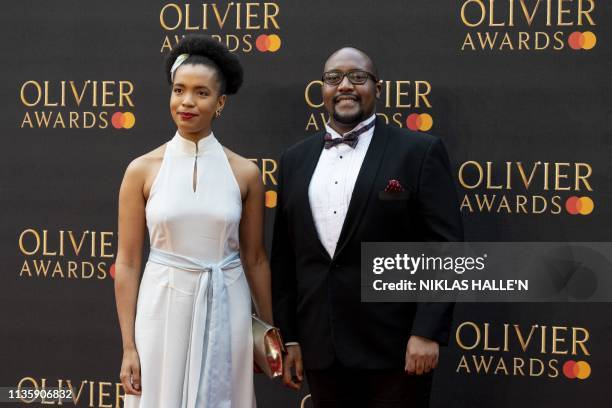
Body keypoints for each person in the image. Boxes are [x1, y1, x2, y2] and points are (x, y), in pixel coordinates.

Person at [271, 47, 464, 407]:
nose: (345, 85)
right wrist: (290, 339)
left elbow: (446, 247)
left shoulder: (417, 151)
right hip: (321, 347)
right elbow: (285, 258)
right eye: (334, 78)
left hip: (395, 346)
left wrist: (426, 331)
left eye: (357, 77)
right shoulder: (294, 159)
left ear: (378, 88)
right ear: (322, 89)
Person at [114, 34, 272, 408]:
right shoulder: (141, 170)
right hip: (161, 307)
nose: (186, 102)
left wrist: (267, 331)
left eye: (201, 93)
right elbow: (128, 261)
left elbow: (256, 259)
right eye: (179, 90)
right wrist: (128, 346)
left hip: (227, 303)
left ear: (220, 103)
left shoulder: (246, 173)